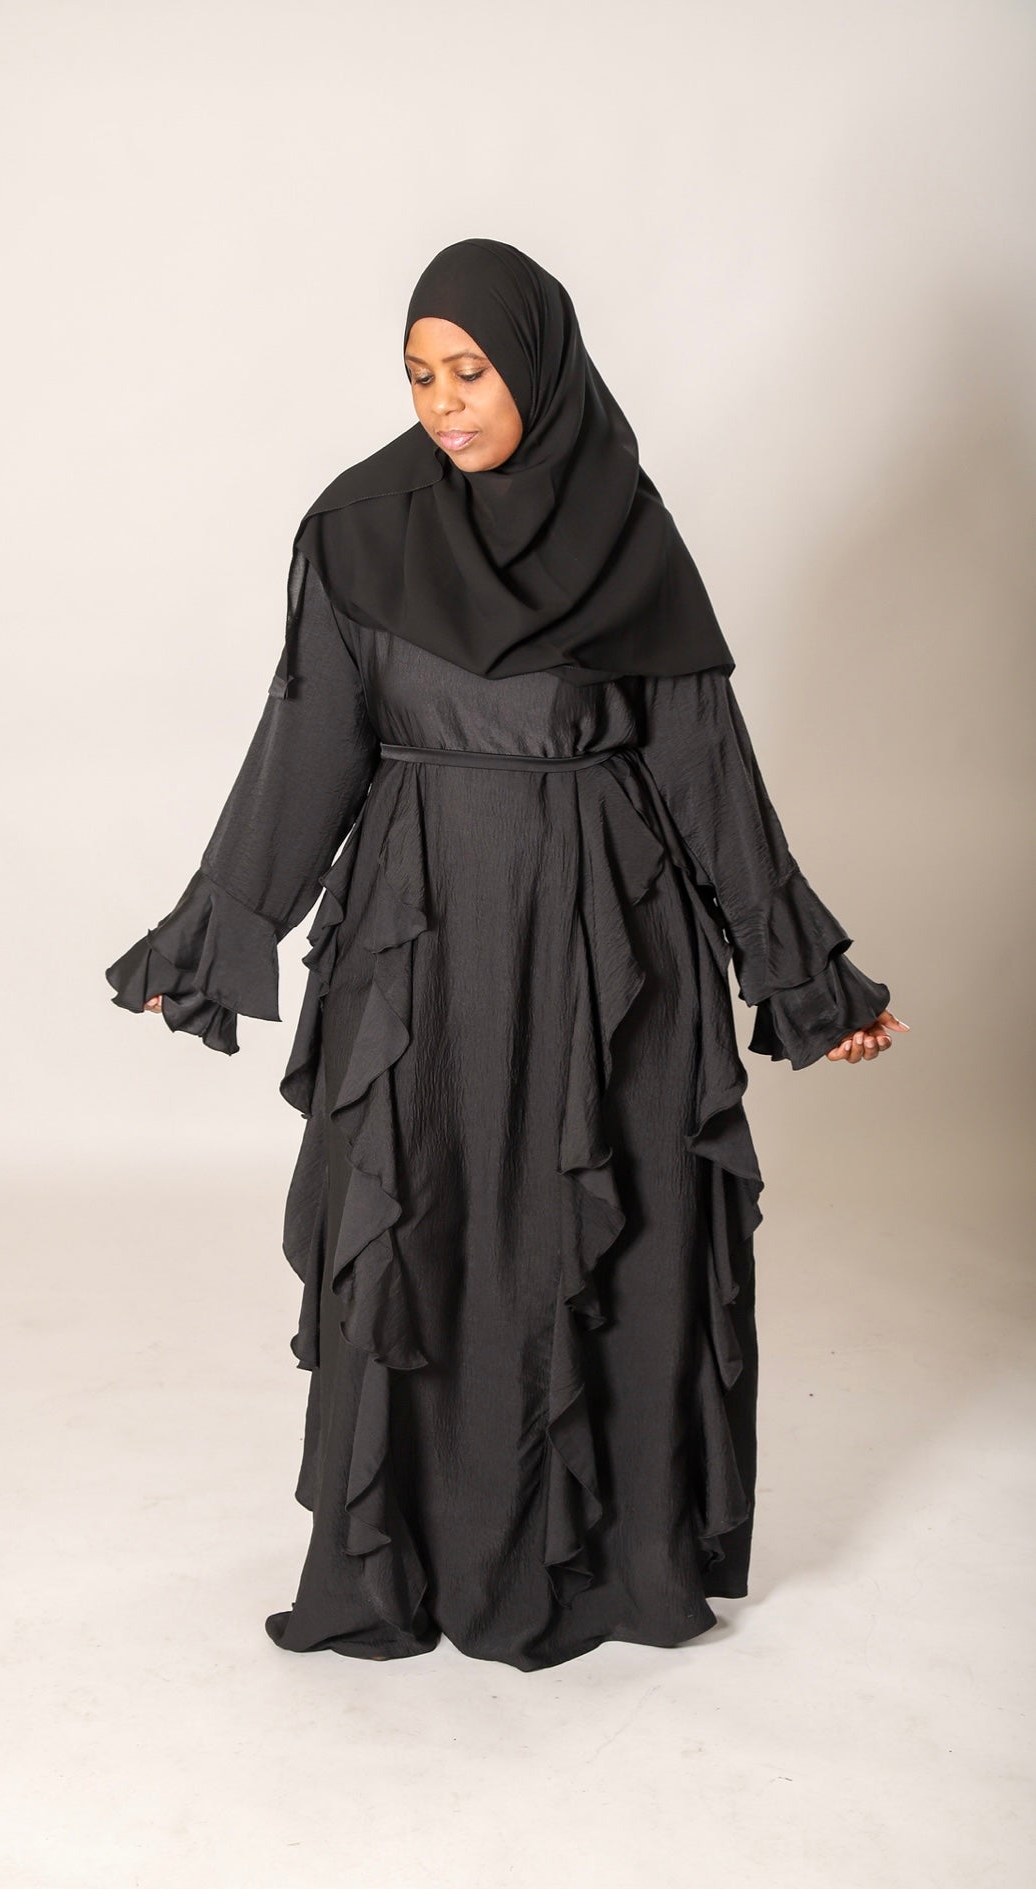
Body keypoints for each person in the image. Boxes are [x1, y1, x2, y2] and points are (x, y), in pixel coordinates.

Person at [105, 238, 908, 1672]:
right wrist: (221, 928)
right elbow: (307, 746)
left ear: (538, 365)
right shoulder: (359, 531)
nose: (444, 405)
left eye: (470, 373)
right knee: (423, 1227)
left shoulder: (627, 530)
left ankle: (607, 1557)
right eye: (420, 376)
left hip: (612, 948)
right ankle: (408, 1559)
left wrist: (800, 974)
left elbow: (706, 766)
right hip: (422, 941)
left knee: (608, 1235)